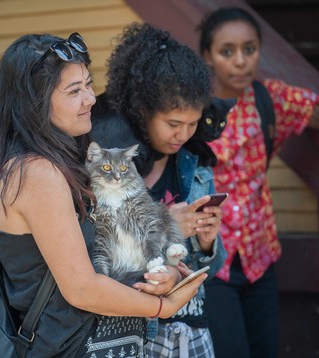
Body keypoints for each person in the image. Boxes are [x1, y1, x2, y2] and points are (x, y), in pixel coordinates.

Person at [0, 31, 209, 358]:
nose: (91, 98)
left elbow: (93, 265)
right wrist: (162, 306)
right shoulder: (38, 174)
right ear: (35, 100)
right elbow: (81, 288)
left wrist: (159, 276)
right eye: (75, 90)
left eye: (89, 84)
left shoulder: (39, 165)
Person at [91, 23, 227, 358]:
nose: (184, 135)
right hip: (129, 333)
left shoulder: (195, 169)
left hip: (190, 331)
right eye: (173, 124)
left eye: (193, 123)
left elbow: (210, 268)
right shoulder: (109, 169)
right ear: (143, 111)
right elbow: (98, 259)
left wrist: (208, 243)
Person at [197, 7, 319, 358]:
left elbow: (313, 110)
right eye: (227, 51)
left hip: (259, 257)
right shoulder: (192, 107)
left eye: (249, 49)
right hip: (211, 260)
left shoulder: (270, 99)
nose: (240, 61)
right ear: (208, 55)